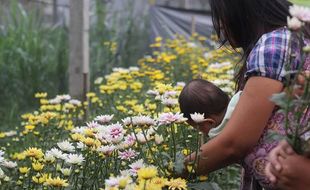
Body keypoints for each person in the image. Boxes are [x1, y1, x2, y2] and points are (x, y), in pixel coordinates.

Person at [183, 0, 310, 189]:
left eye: (220, 16)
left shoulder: (273, 44)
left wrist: (172, 172)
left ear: (239, 10)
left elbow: (233, 145)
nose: (219, 26)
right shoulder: (295, 38)